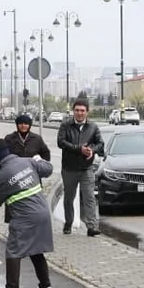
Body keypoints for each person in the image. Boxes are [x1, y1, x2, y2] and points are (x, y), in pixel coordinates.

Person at [0, 138, 54, 288]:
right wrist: (39, 160)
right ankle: (45, 286)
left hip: (24, 217)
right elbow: (48, 169)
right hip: (43, 213)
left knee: (13, 251)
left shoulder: (2, 175)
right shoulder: (28, 162)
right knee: (36, 249)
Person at [55, 97, 105, 236]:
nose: (79, 113)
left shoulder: (93, 127)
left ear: (87, 112)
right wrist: (79, 149)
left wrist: (91, 150)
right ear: (73, 111)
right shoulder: (66, 125)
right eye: (77, 110)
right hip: (69, 168)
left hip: (86, 168)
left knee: (89, 197)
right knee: (69, 198)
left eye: (82, 111)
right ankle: (68, 222)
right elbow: (61, 142)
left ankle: (91, 226)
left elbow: (100, 144)